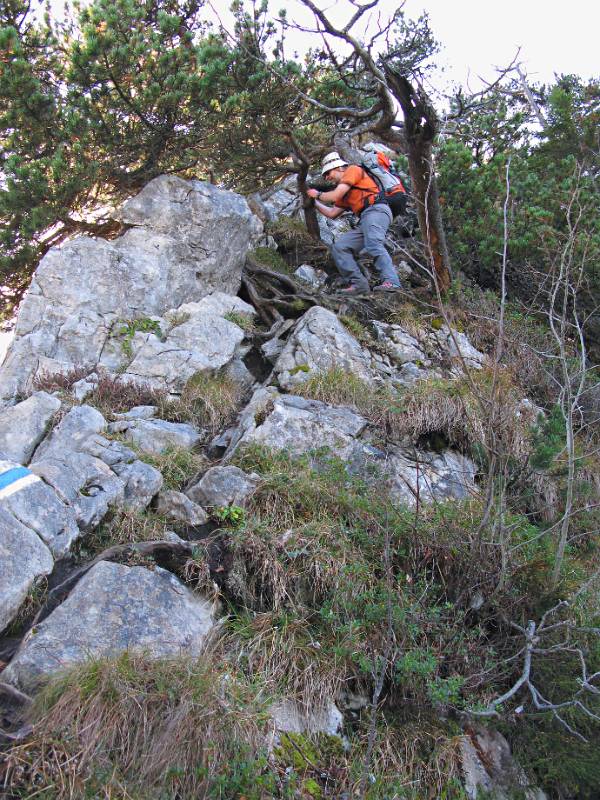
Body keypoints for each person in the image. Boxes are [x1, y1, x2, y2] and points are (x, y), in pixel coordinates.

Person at [307, 151, 401, 295]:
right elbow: (332, 213)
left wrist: (317, 195)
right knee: (340, 247)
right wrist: (314, 203)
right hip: (366, 218)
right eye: (325, 175)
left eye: (328, 173)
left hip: (377, 210)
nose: (327, 178)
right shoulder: (345, 191)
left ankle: (392, 281)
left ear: (338, 167)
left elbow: (334, 195)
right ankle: (359, 285)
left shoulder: (352, 170)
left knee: (373, 243)